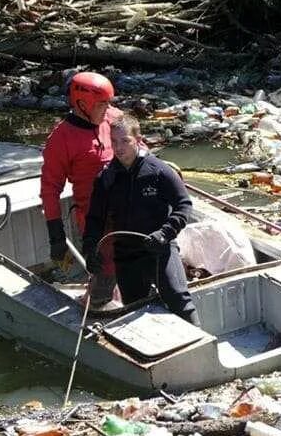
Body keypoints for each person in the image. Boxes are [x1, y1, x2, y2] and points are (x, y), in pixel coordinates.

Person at [81, 114, 200, 325]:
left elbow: (184, 206)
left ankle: (200, 348)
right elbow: (95, 218)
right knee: (135, 308)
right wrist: (90, 248)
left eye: (125, 141)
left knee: (178, 298)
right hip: (126, 254)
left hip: (160, 249)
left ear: (137, 139)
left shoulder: (159, 171)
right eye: (114, 141)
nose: (119, 147)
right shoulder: (106, 178)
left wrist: (165, 233)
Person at [40, 71, 121, 301]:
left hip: (127, 207)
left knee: (141, 259)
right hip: (95, 217)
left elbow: (138, 147)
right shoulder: (61, 138)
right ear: (82, 103)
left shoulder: (113, 118)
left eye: (108, 103)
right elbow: (50, 189)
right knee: (105, 271)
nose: (107, 109)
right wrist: (56, 236)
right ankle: (96, 306)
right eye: (101, 104)